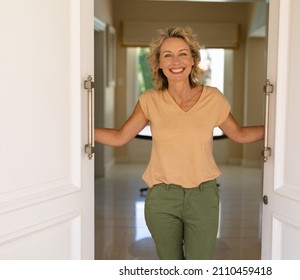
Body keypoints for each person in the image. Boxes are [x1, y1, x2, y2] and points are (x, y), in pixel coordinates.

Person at [95, 26, 264, 260]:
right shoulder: (149, 100)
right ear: (159, 64)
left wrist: (278, 131)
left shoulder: (213, 98)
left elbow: (240, 134)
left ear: (193, 59)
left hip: (203, 196)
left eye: (183, 53)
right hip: (162, 199)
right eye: (168, 55)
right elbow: (119, 137)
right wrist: (79, 130)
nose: (176, 61)